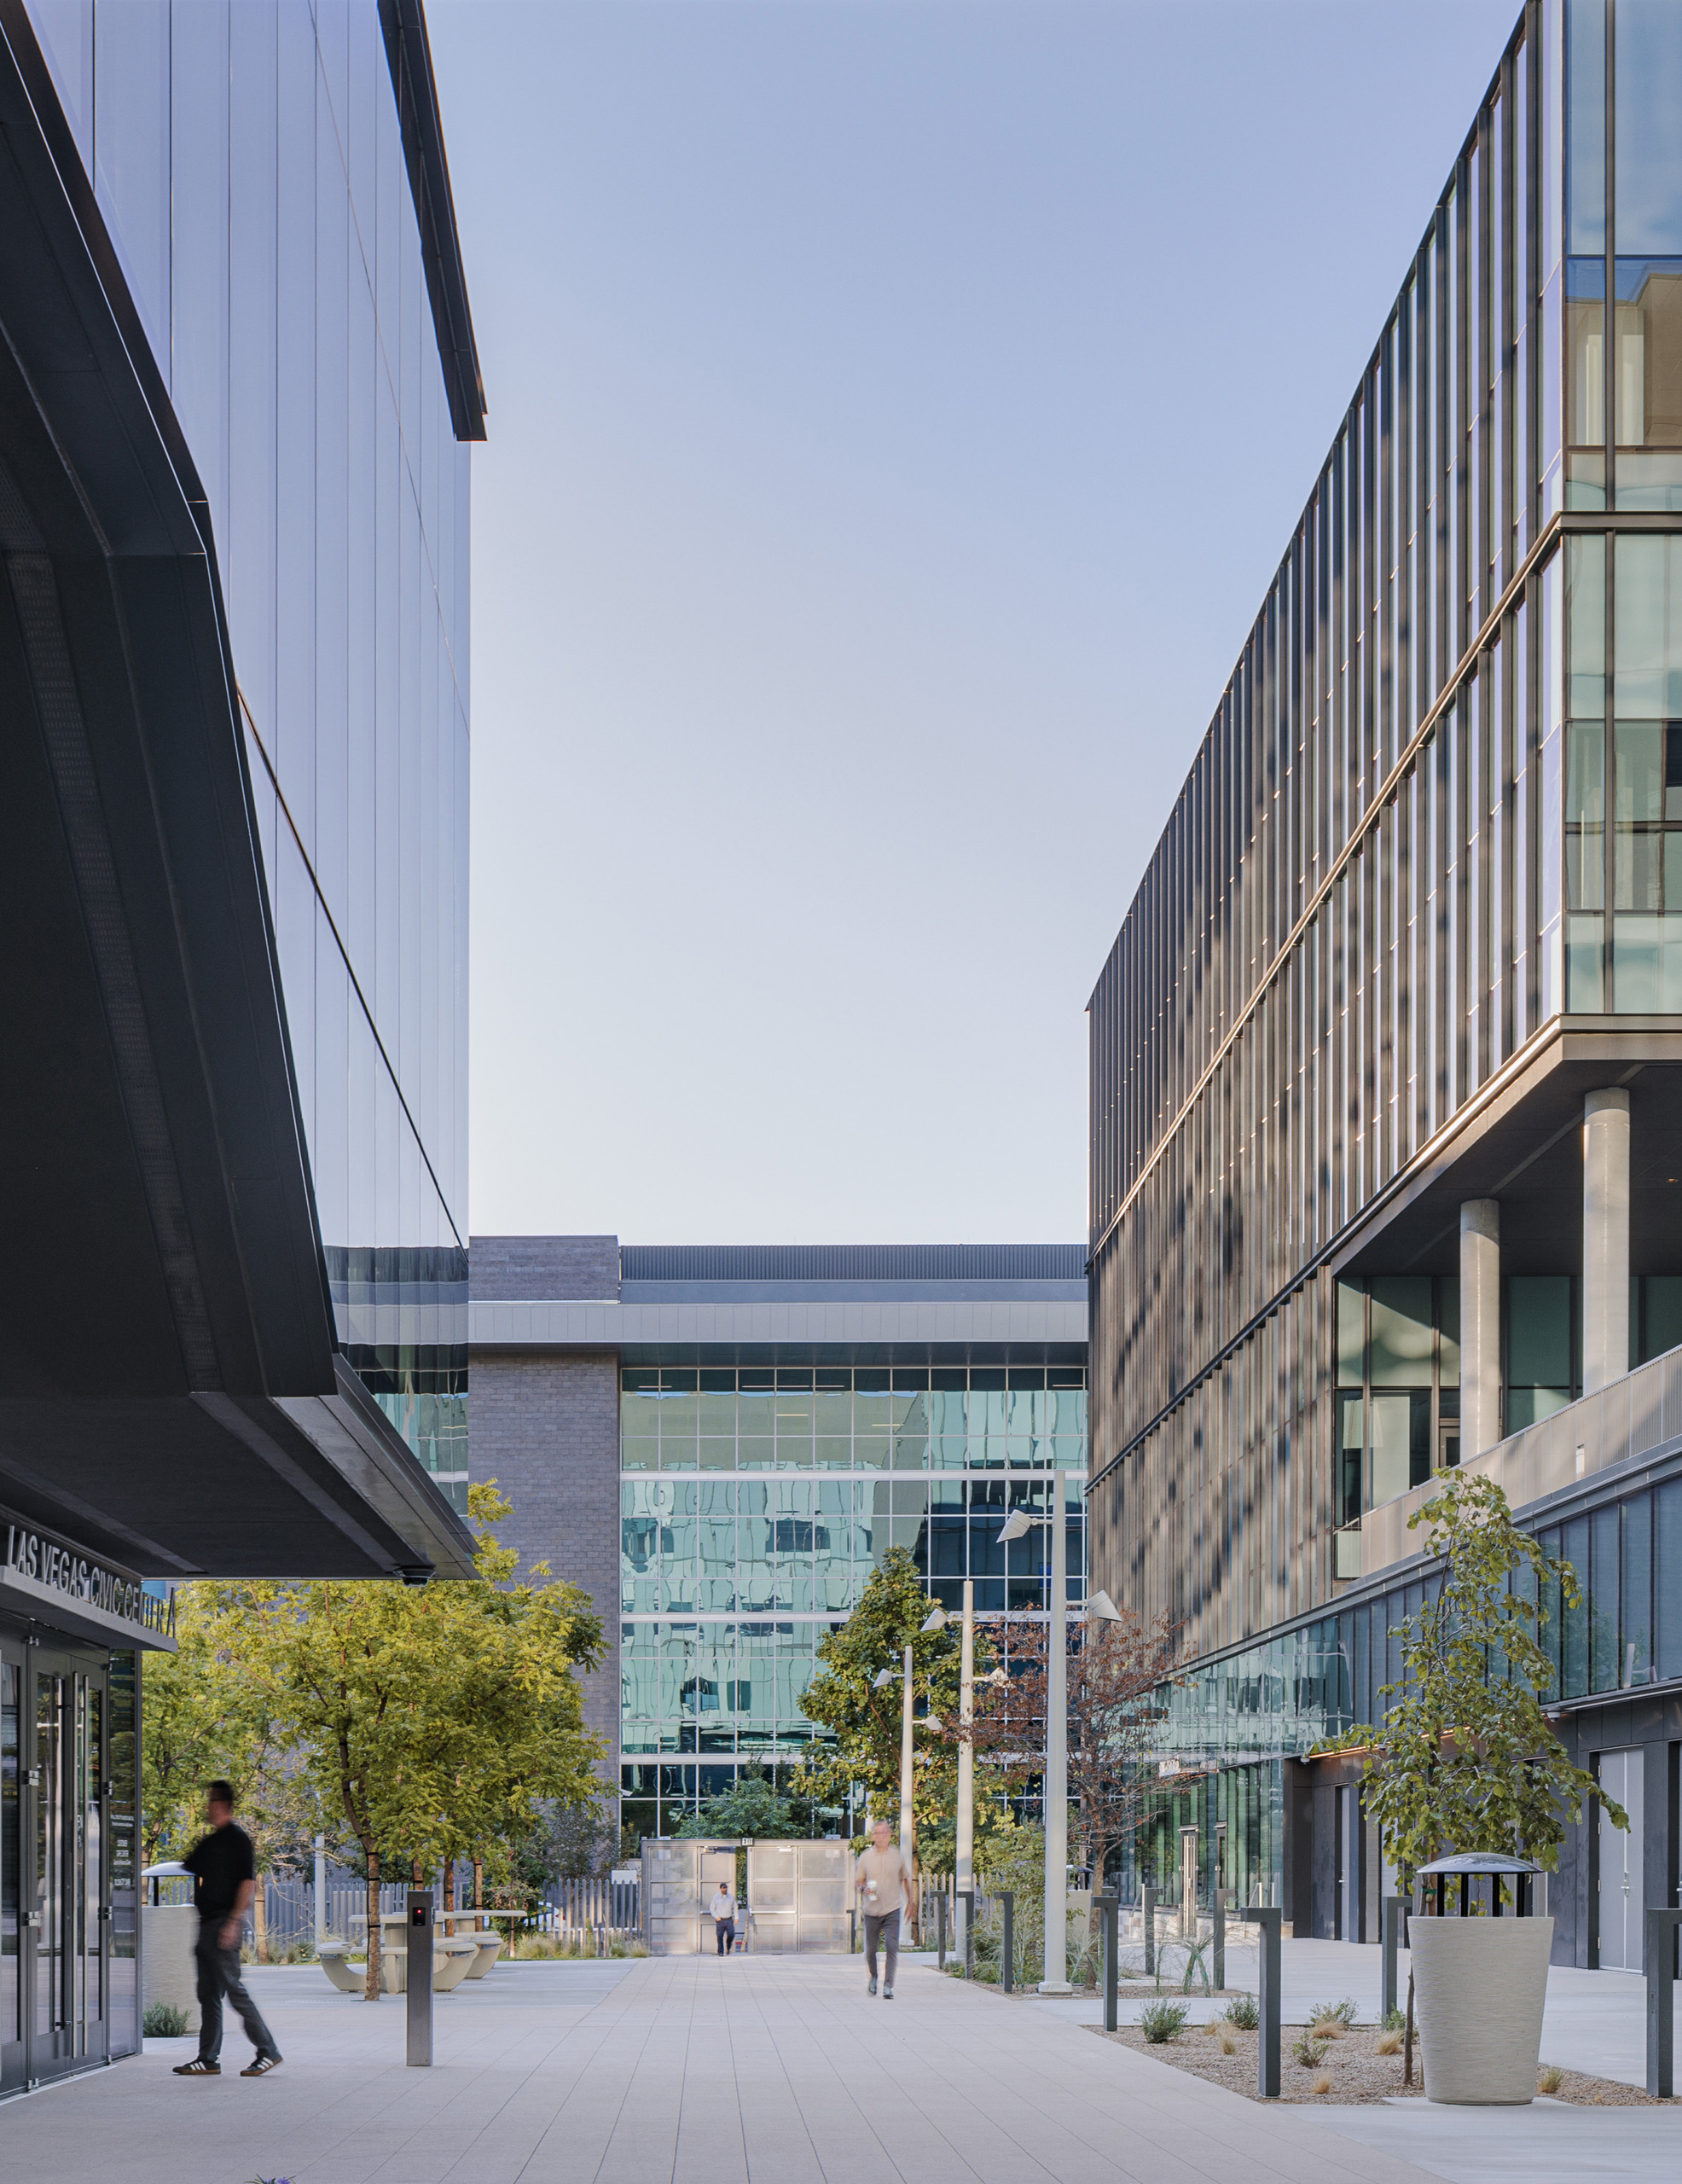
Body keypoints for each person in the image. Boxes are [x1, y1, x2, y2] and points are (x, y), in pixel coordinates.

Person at [172, 1780, 282, 2079]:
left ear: (223, 1805)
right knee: (208, 1995)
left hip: (223, 1924)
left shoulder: (237, 1840)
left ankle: (268, 2050)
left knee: (234, 1990)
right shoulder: (212, 1842)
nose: (207, 1807)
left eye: (211, 1801)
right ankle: (208, 2059)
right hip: (206, 1924)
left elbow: (247, 1883)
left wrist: (233, 1922)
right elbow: (191, 1865)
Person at [854, 1816, 912, 2000]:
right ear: (873, 1836)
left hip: (892, 1908)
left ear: (890, 1834)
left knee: (892, 1947)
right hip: (872, 1910)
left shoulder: (897, 1856)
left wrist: (911, 1903)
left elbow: (905, 1879)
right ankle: (873, 1977)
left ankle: (888, 1985)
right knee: (871, 1949)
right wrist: (864, 1888)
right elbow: (858, 1882)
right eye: (878, 1833)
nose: (882, 1836)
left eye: (885, 1832)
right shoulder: (866, 1857)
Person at [708, 1879, 738, 1955]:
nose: (725, 1889)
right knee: (720, 1936)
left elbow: (735, 1907)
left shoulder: (731, 1897)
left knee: (731, 1934)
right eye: (723, 1888)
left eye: (726, 1888)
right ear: (720, 1888)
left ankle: (728, 1947)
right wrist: (716, 1916)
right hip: (720, 1920)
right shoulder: (716, 1897)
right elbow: (712, 1908)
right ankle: (720, 1951)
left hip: (729, 1919)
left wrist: (736, 1917)